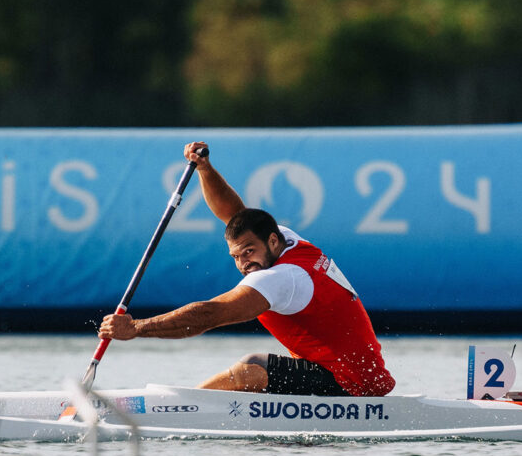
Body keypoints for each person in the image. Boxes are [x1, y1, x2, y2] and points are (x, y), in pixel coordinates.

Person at [97, 141, 395, 397]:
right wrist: (205, 169)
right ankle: (189, 406)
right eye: (236, 257)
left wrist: (136, 328)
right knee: (257, 365)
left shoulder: (283, 278)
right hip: (344, 370)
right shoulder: (286, 239)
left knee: (251, 367)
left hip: (353, 385)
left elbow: (209, 314)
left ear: (272, 240)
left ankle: (178, 409)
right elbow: (236, 215)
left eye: (249, 253)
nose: (244, 264)